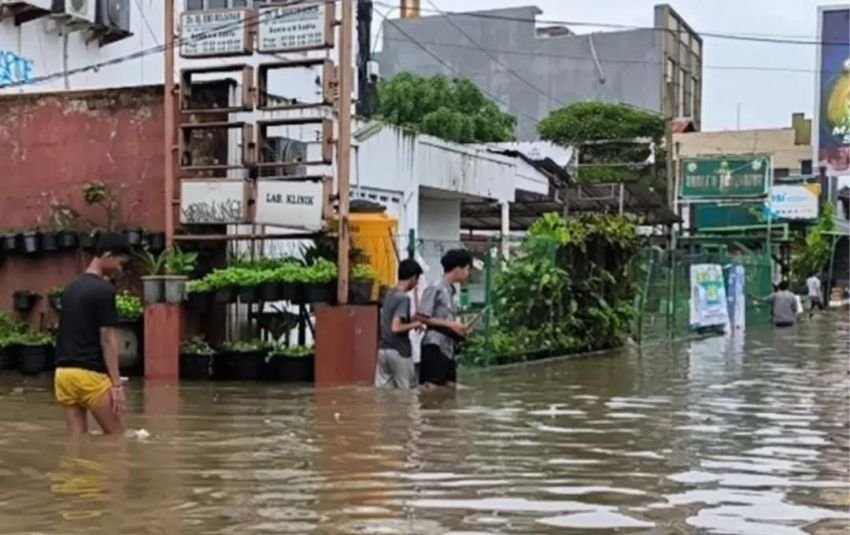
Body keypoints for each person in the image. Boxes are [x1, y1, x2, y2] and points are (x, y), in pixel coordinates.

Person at [54, 232, 131, 435]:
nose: (120, 270)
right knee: (118, 439)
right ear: (108, 255)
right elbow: (107, 340)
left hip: (63, 375)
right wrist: (117, 386)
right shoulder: (104, 291)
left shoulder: (71, 288)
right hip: (89, 377)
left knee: (77, 441)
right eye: (120, 263)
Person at [417, 249, 472, 388]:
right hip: (434, 345)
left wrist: (458, 330)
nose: (467, 273)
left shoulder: (451, 290)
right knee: (432, 389)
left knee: (449, 389)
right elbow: (420, 316)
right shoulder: (435, 287)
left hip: (448, 347)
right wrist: (450, 325)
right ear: (458, 269)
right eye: (467, 269)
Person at [375, 259, 424, 389]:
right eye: (417, 280)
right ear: (413, 278)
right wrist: (416, 324)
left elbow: (392, 319)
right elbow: (396, 328)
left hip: (383, 351)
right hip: (399, 352)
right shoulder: (403, 298)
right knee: (407, 396)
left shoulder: (388, 295)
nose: (417, 284)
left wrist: (413, 319)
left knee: (384, 397)